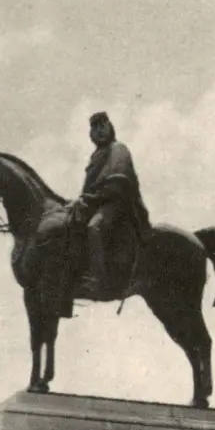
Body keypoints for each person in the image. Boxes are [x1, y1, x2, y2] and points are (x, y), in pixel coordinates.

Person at [74, 111, 152, 295]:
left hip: (118, 203)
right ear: (91, 134)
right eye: (95, 128)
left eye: (103, 126)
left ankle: (99, 282)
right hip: (99, 203)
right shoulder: (96, 156)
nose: (99, 131)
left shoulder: (118, 149)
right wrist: (81, 201)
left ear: (110, 127)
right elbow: (88, 189)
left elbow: (119, 181)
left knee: (94, 228)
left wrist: (91, 198)